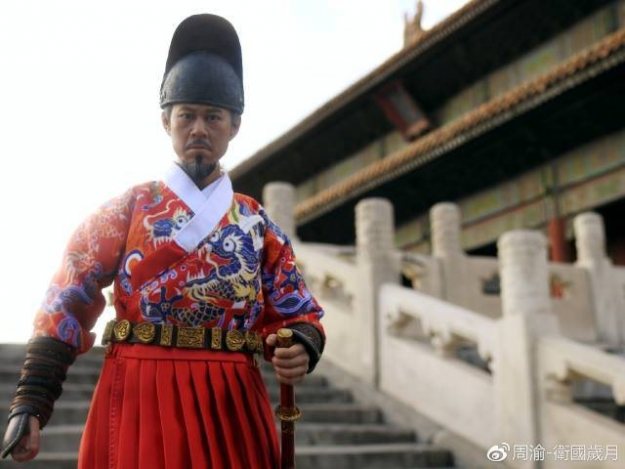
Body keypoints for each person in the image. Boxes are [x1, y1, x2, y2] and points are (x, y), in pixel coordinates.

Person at [1, 13, 325, 469]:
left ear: (234, 126)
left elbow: (299, 310)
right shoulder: (129, 209)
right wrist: (32, 399)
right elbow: (69, 291)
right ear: (165, 121)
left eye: (213, 117)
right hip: (139, 393)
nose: (199, 129)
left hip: (231, 402)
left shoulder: (256, 223)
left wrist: (301, 345)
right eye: (186, 115)